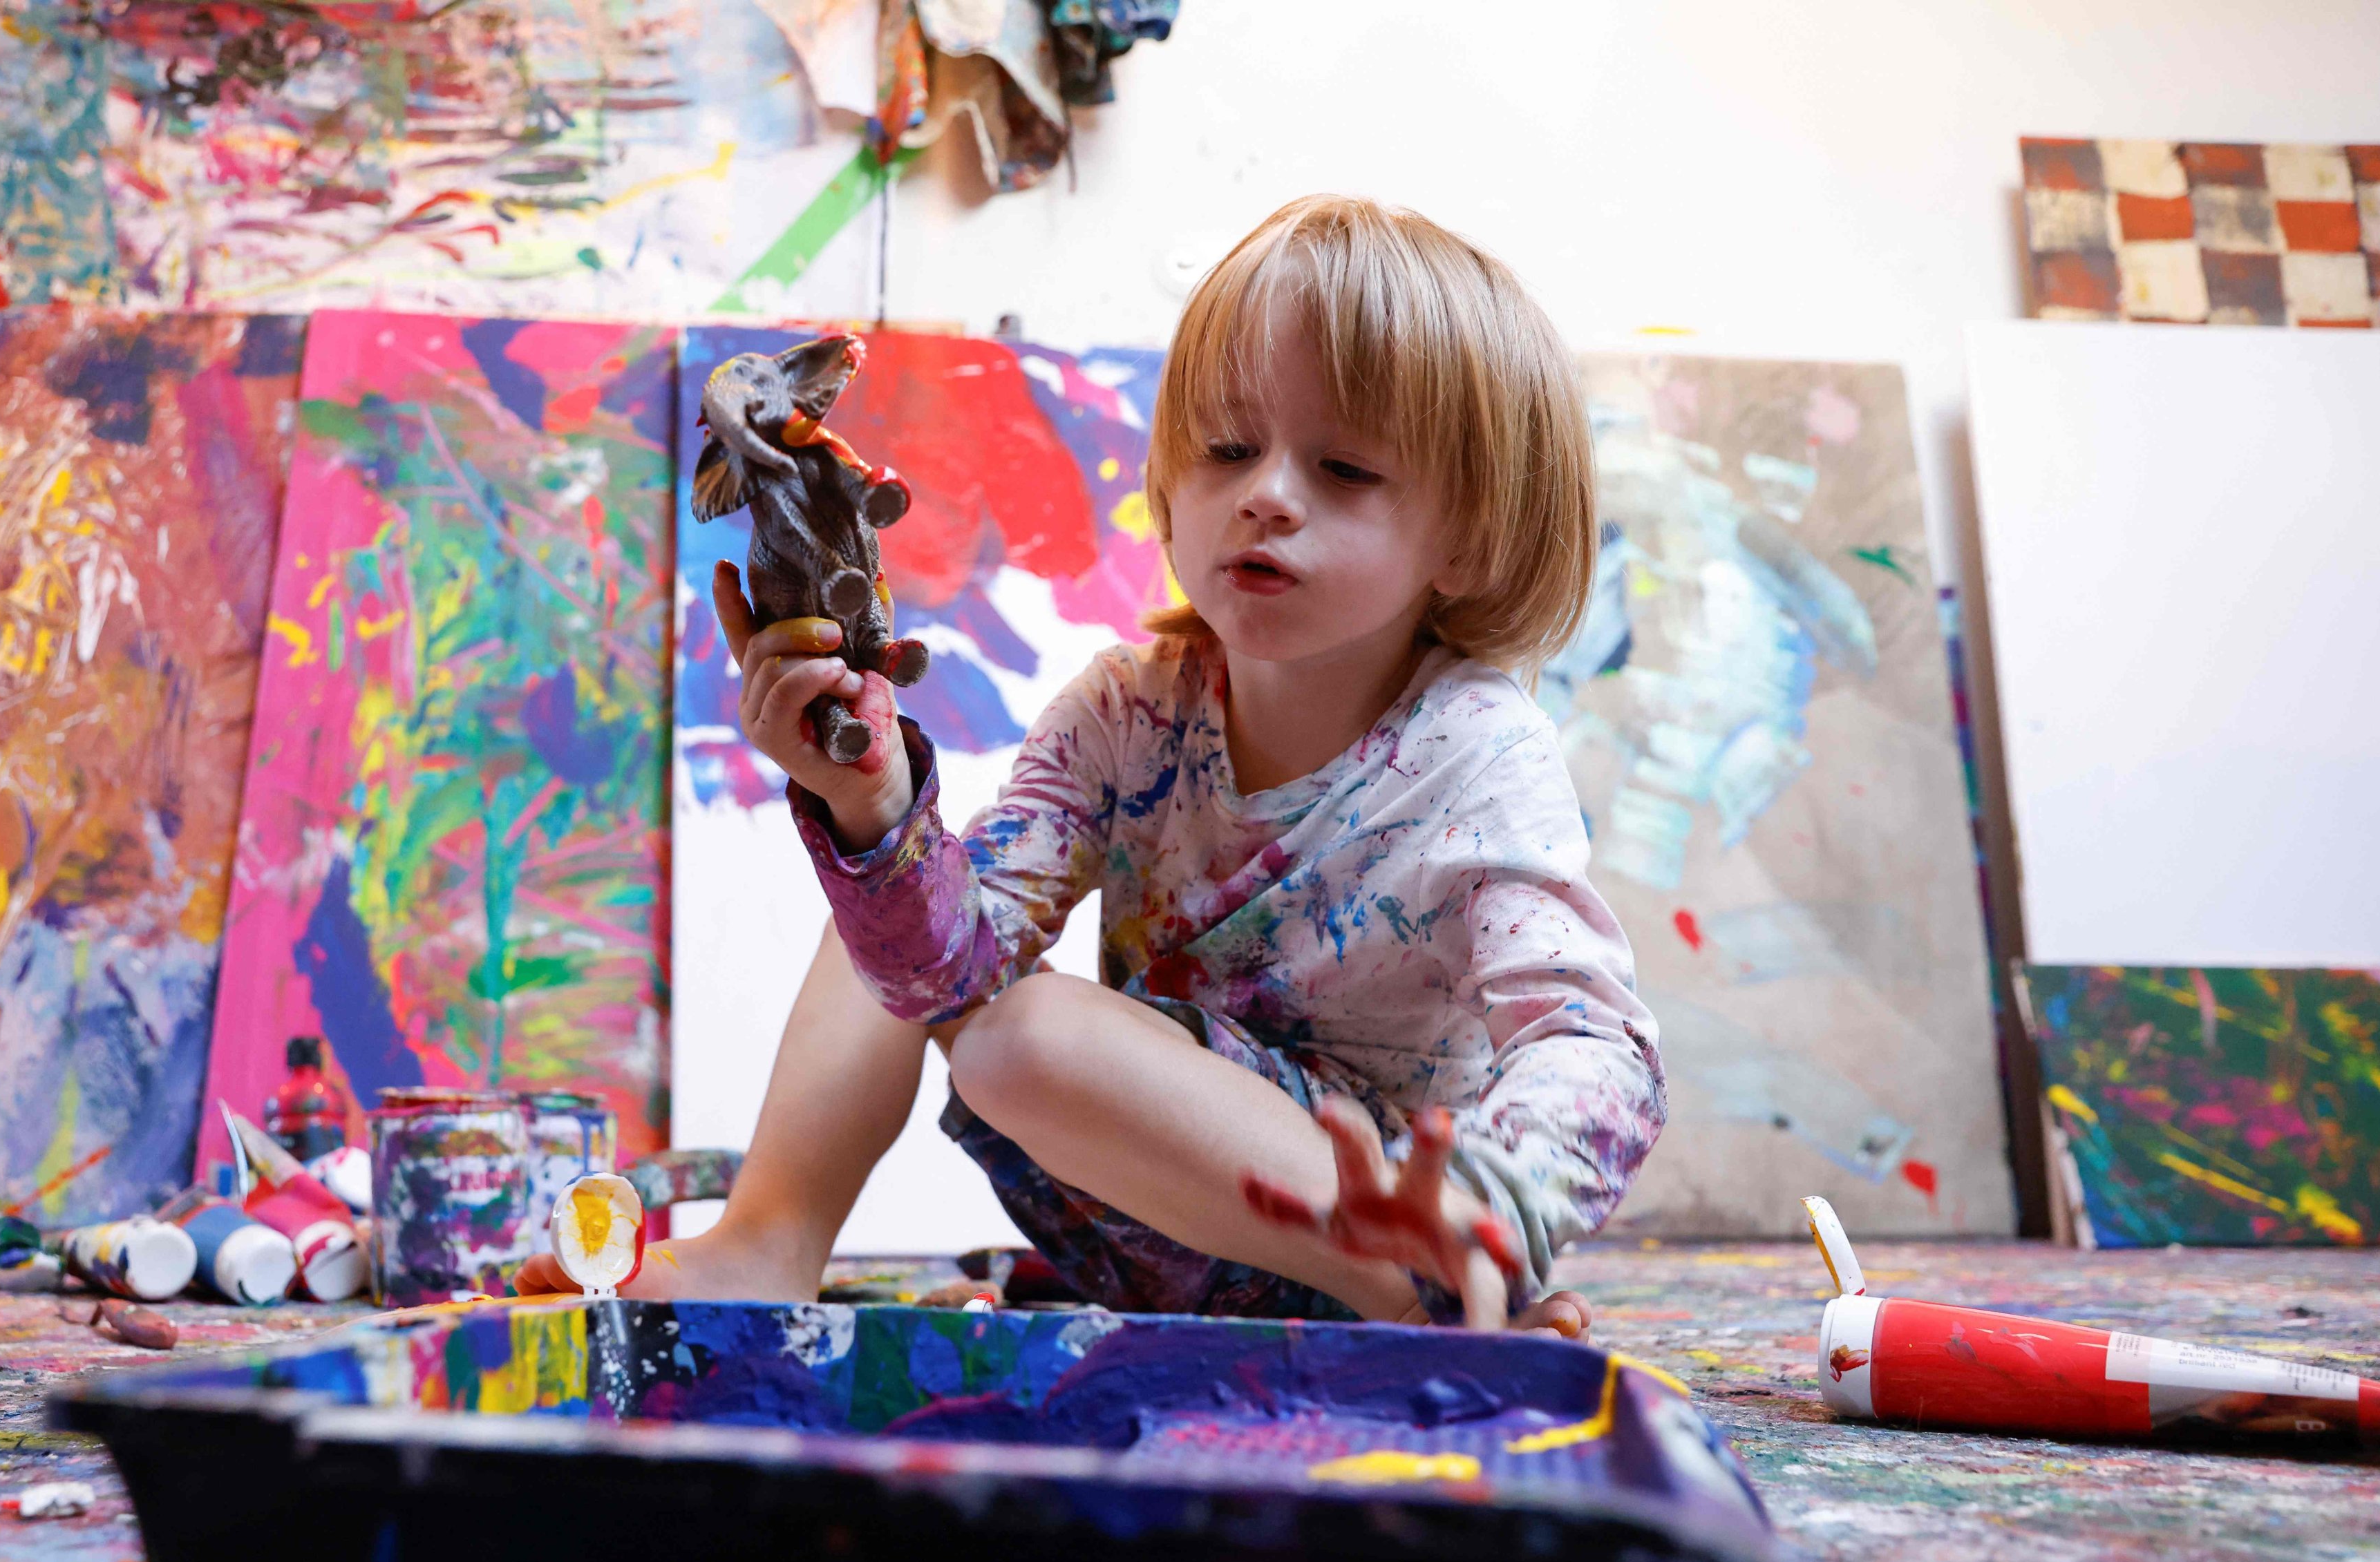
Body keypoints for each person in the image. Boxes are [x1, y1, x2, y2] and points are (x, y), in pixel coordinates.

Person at [651, 194, 1661, 1331]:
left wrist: (1491, 1204)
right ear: (1174, 488)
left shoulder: (1476, 750)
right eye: (1227, 450)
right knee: (894, 887)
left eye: (1342, 469)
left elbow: (1592, 1040)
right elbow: (948, 969)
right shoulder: (1124, 712)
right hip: (1141, 1230)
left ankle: (1422, 1297)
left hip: (1394, 1237)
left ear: (1468, 542)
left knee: (1023, 1036)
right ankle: (767, 1236)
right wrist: (867, 796)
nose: (1267, 494)